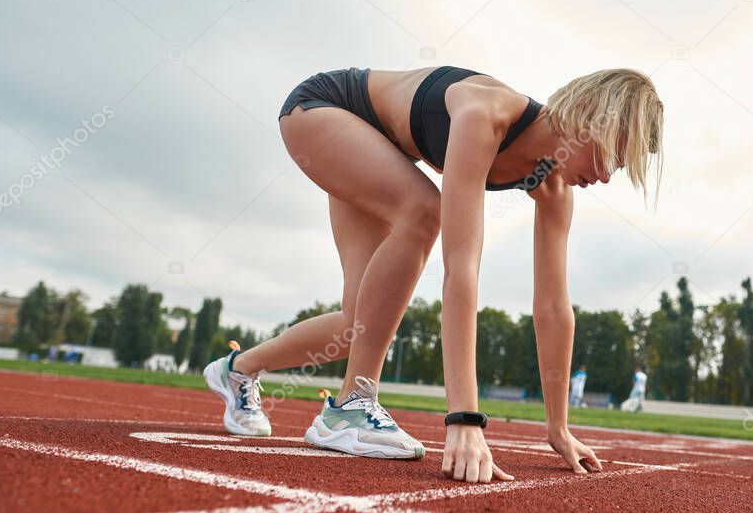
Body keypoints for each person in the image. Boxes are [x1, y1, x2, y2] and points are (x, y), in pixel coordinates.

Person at [204, 65, 664, 482]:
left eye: (619, 167)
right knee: (424, 211)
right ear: (586, 116)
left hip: (376, 149)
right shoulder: (486, 113)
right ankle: (350, 407)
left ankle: (237, 370)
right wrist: (464, 420)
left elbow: (553, 308)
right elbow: (461, 267)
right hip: (324, 111)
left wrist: (558, 427)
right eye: (610, 155)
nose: (606, 176)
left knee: (358, 324)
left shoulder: (555, 185)